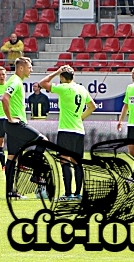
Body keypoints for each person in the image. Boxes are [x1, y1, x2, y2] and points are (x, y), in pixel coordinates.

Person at [39, 65, 97, 201]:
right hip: (79, 131)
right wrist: (81, 117)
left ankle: (68, 193)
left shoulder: (64, 88)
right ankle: (78, 193)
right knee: (77, 163)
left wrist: (56, 71)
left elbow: (42, 83)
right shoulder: (81, 89)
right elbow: (92, 106)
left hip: (66, 130)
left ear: (62, 78)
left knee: (65, 161)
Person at [1, 57, 47, 200]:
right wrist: (10, 117)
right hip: (15, 124)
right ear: (21, 68)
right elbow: (4, 98)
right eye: (29, 66)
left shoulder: (18, 81)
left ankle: (10, 191)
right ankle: (36, 175)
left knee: (11, 158)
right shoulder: (15, 81)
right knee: (43, 141)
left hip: (12, 124)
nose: (31, 69)